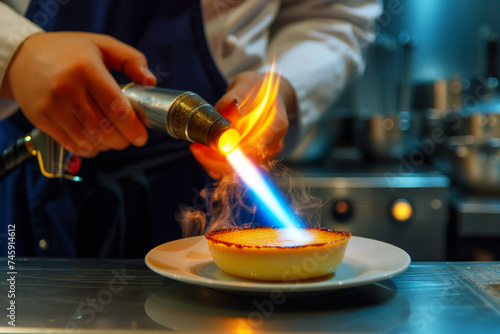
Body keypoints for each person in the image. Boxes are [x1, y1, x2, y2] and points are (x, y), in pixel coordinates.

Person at [0, 0, 382, 257]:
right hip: (40, 172)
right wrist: (15, 51)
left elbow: (335, 13)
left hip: (203, 181)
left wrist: (277, 86)